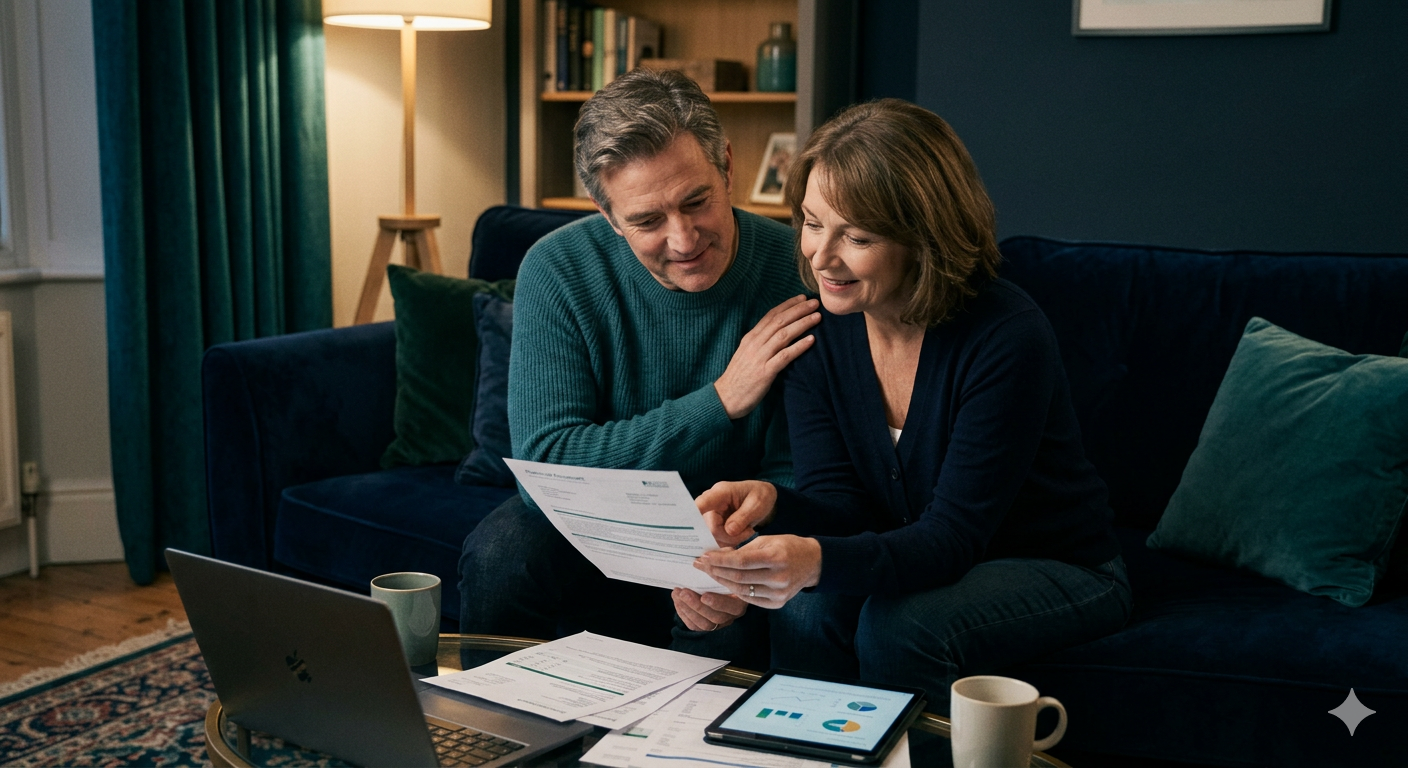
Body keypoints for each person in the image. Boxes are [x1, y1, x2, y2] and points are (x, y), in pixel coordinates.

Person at [684, 99, 1132, 710]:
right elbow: (845, 507)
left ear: (924, 238)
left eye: (858, 236)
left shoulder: (1006, 335)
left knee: (898, 626)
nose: (820, 257)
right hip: (937, 549)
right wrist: (775, 503)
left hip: (1061, 566)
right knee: (806, 612)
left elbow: (950, 539)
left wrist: (811, 558)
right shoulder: (817, 334)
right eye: (812, 223)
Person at [457, 69, 817, 662]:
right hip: (593, 530)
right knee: (500, 554)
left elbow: (801, 474)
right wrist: (720, 401)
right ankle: (496, 743)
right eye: (647, 221)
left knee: (732, 613)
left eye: (696, 201)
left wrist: (742, 546)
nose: (682, 239)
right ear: (608, 215)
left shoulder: (797, 271)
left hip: (725, 532)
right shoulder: (557, 269)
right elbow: (544, 468)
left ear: (727, 166)